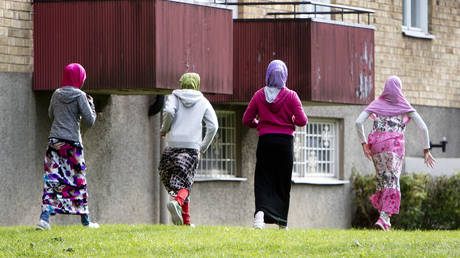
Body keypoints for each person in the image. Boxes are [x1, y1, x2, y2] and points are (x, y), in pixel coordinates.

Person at [355, 75, 436, 231]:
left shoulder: (377, 103)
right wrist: (426, 150)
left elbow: (358, 122)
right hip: (394, 146)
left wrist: (364, 143)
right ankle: (384, 217)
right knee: (392, 179)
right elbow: (423, 128)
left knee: (382, 178)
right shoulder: (403, 105)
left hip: (376, 146)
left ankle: (385, 219)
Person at [243, 60, 307, 230]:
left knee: (263, 179)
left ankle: (259, 217)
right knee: (282, 180)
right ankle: (282, 222)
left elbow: (246, 119)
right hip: (285, 143)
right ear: (284, 75)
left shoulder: (258, 95)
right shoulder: (292, 96)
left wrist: (261, 125)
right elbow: (302, 121)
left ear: (268, 75)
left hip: (266, 141)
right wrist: (289, 120)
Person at [36, 63, 99, 230]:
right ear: (79, 78)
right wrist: (90, 105)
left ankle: (44, 220)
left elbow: (51, 114)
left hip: (54, 141)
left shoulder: (56, 94)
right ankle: (86, 222)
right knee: (78, 179)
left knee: (52, 179)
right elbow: (90, 121)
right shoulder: (80, 96)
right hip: (72, 144)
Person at [158, 72, 218, 226]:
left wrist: (165, 128)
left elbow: (169, 112)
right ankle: (177, 202)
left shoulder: (174, 97)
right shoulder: (203, 101)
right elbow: (213, 126)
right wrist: (202, 147)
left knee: (169, 175)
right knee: (186, 182)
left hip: (172, 144)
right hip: (191, 147)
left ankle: (186, 221)